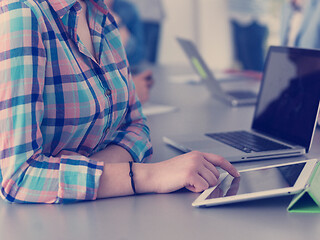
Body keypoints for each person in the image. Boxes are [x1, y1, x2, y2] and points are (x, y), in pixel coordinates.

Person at [0, 0, 239, 203]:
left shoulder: (99, 13)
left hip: (96, 212)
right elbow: (20, 178)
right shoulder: (22, 15)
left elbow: (137, 128)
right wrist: (148, 176)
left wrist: (96, 174)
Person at [105, 0, 153, 104]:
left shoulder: (128, 9)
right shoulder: (81, 12)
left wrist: (119, 24)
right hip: (112, 88)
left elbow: (138, 54)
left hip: (127, 76)